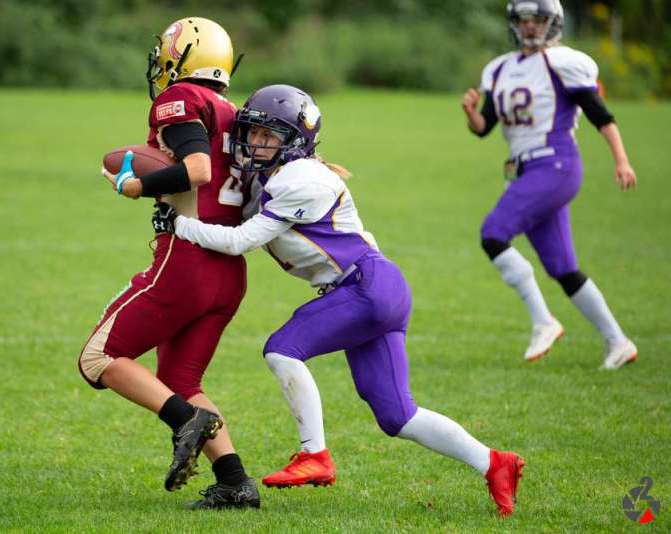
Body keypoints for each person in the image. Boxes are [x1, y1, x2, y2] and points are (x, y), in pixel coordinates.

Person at [152, 84, 525, 518]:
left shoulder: (299, 179)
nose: (255, 143)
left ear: (296, 143)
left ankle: (315, 454)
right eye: (253, 133)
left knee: (281, 349)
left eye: (268, 137)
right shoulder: (277, 175)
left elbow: (239, 241)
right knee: (397, 415)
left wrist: (178, 223)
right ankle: (494, 463)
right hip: (375, 288)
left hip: (364, 287)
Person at [79, 17, 260, 509]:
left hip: (187, 261)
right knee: (182, 380)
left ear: (183, 56)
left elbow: (197, 170)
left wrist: (139, 186)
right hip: (230, 269)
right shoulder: (237, 112)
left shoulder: (179, 98)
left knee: (97, 359)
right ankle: (235, 482)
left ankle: (184, 420)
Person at [461, 0, 638, 369]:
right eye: (524, 20)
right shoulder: (501, 68)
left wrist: (621, 160)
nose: (530, 27)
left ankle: (543, 320)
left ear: (553, 23)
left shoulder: (561, 62)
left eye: (538, 20)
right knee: (562, 267)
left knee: (493, 233)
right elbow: (485, 128)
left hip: (556, 163)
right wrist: (472, 114)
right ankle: (617, 341)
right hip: (529, 170)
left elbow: (600, 115)